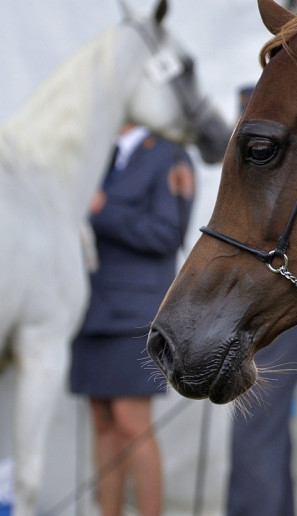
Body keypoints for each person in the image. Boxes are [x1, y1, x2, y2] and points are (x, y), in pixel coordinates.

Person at [69, 124, 195, 516]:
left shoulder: (169, 155)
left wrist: (103, 209)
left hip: (133, 311)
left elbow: (166, 233)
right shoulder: (98, 154)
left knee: (130, 421)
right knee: (102, 420)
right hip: (90, 307)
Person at [225, 84, 297, 516]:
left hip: (277, 313)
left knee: (256, 432)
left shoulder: (282, 191)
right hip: (265, 312)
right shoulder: (252, 191)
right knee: (264, 432)